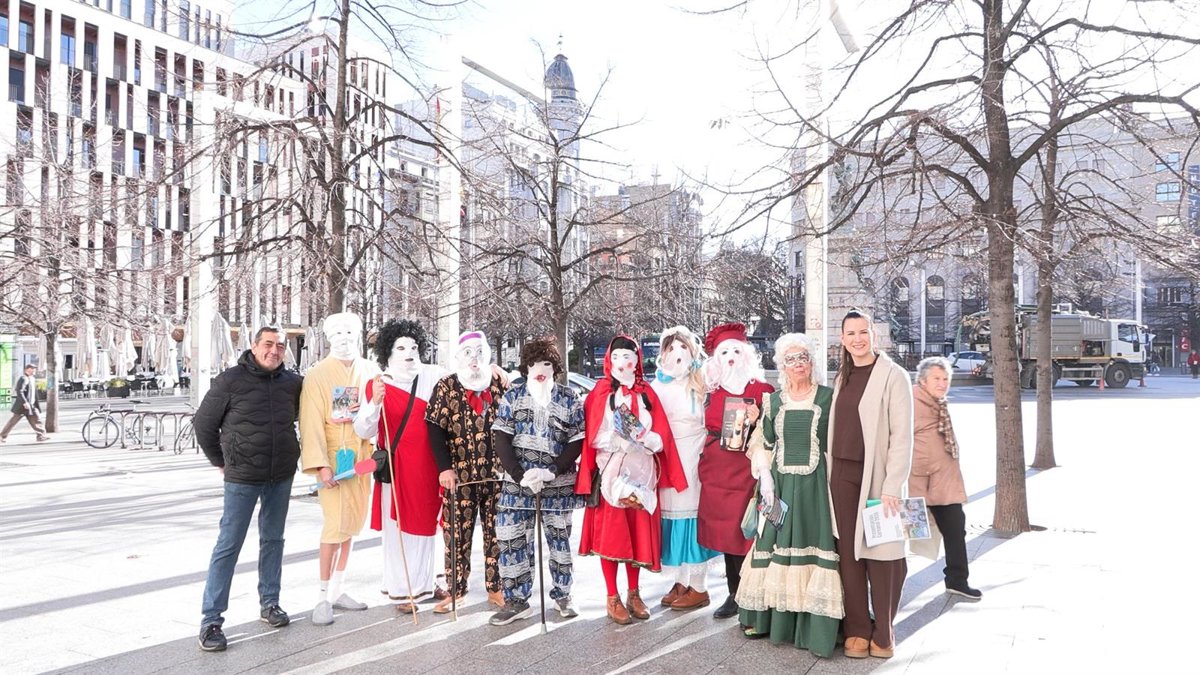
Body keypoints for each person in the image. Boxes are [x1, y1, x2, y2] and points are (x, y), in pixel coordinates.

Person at [194, 326, 303, 652]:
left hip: (281, 474)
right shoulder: (230, 380)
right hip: (242, 477)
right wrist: (221, 460)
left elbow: (311, 415)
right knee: (229, 544)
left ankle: (270, 602)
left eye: (280, 346)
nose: (274, 350)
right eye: (268, 344)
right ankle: (211, 620)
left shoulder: (293, 384)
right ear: (254, 346)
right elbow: (203, 424)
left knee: (274, 540)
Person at [736, 333, 843, 656]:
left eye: (803, 357)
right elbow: (762, 442)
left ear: (812, 362)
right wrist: (766, 477)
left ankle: (812, 628)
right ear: (782, 365)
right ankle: (768, 621)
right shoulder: (774, 401)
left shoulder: (828, 398)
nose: (798, 364)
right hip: (779, 488)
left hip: (816, 491)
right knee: (771, 545)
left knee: (815, 547)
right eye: (791, 359)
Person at [576, 335, 688, 625]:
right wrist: (616, 441)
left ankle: (634, 593)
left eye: (628, 356)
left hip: (643, 473)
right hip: (612, 475)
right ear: (608, 360)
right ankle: (612, 596)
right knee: (612, 537)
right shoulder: (601, 392)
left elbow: (661, 434)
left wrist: (651, 440)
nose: (623, 362)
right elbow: (592, 435)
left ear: (637, 359)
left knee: (637, 534)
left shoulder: (646, 393)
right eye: (617, 356)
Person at [828, 309, 912, 659]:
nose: (858, 339)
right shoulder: (842, 377)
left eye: (863, 332)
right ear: (842, 339)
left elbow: (902, 437)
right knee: (849, 555)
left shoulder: (894, 376)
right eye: (851, 333)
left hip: (879, 478)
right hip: (842, 475)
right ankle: (858, 629)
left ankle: (884, 633)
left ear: (873, 335)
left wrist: (893, 485)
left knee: (884, 556)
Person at [490, 338, 585, 625]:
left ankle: (563, 594)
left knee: (559, 541)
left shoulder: (570, 398)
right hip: (516, 486)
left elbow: (577, 441)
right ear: (525, 368)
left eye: (546, 364)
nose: (539, 370)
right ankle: (516, 600)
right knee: (512, 540)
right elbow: (501, 438)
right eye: (533, 364)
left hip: (557, 486)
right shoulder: (513, 397)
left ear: (555, 367)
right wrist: (520, 475)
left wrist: (552, 471)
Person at [354, 320, 444, 613]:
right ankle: (402, 590)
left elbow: (467, 377)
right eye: (401, 347)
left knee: (427, 524)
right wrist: (374, 404)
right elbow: (363, 429)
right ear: (388, 352)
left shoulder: (433, 375)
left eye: (414, 347)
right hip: (396, 468)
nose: (409, 353)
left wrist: (493, 369)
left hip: (429, 466)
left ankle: (427, 582)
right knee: (398, 530)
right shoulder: (378, 384)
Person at [299, 313, 378, 625]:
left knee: (352, 523)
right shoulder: (317, 375)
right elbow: (310, 422)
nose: (344, 338)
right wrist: (321, 466)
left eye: (349, 332)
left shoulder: (371, 370)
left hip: (361, 458)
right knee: (334, 525)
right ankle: (322, 596)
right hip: (333, 459)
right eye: (337, 333)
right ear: (328, 337)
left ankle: (338, 588)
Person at [697, 322, 775, 620]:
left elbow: (774, 432)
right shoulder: (710, 391)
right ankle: (734, 592)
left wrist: (758, 419)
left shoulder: (762, 390)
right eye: (724, 352)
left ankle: (756, 591)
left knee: (750, 530)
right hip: (717, 470)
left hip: (748, 470)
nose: (730, 357)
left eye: (736, 351)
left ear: (747, 354)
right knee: (727, 533)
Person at [426, 330, 507, 613]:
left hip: (496, 475)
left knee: (497, 534)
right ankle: (456, 591)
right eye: (468, 353)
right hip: (460, 477)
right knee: (457, 536)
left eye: (480, 352)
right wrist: (444, 468)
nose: (475, 358)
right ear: (459, 357)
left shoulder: (498, 384)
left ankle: (496, 587)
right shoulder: (446, 385)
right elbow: (434, 427)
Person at [650, 327, 720, 611]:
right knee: (672, 516)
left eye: (683, 347)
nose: (677, 354)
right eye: (671, 348)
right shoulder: (658, 384)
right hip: (666, 454)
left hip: (695, 453)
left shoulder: (703, 379)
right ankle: (680, 580)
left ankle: (699, 586)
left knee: (692, 516)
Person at [909, 356, 981, 602]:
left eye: (945, 379)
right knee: (904, 538)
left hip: (943, 484)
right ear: (923, 380)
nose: (942, 383)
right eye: (936, 379)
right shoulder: (911, 402)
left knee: (955, 529)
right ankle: (888, 589)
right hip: (917, 486)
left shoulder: (938, 402)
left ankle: (957, 580)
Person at [1, 363, 48, 443]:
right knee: (13, 422)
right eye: (33, 369)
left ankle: (41, 436)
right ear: (27, 369)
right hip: (22, 406)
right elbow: (19, 391)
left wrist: (34, 404)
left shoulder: (32, 379)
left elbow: (33, 393)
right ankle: (2, 436)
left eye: (34, 369)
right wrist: (25, 402)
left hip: (31, 405)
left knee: (37, 420)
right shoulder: (23, 378)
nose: (34, 370)